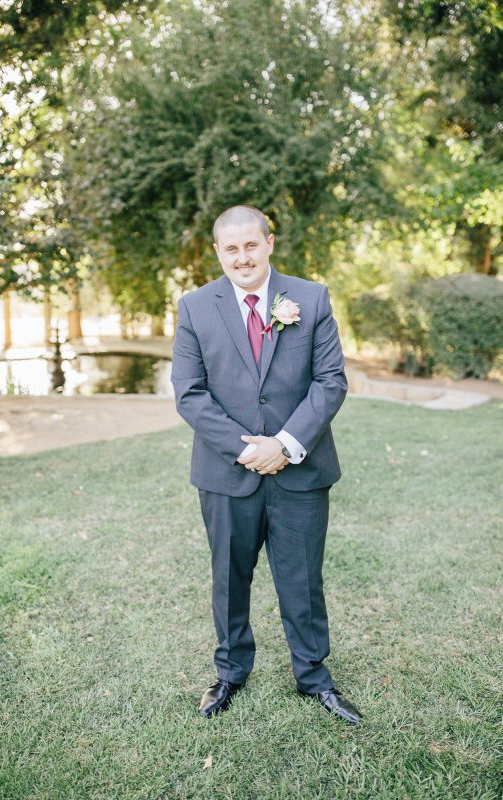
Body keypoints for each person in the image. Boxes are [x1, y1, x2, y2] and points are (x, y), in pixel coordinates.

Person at [170, 205, 362, 725]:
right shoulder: (194, 307)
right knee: (229, 578)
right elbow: (189, 393)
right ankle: (231, 672)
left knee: (302, 579)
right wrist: (246, 448)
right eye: (230, 249)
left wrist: (285, 443)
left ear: (269, 242)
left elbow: (330, 382)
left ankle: (314, 677)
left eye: (250, 245)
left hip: (300, 469)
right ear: (218, 252)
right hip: (226, 474)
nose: (242, 257)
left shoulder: (310, 298)